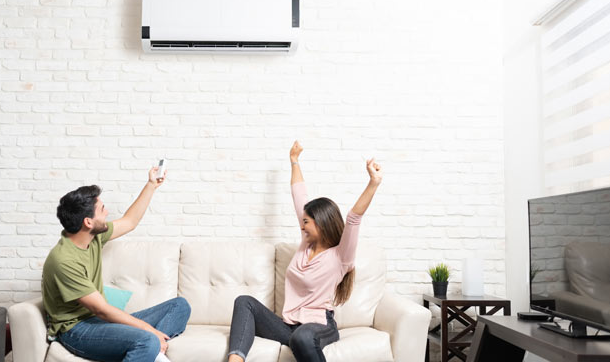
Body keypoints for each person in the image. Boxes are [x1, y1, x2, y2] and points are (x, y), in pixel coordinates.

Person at [227, 141, 383, 362]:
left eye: (306, 221)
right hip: (288, 326)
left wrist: (373, 183)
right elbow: (298, 194)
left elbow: (353, 218)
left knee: (302, 336)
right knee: (244, 302)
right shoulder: (305, 244)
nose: (302, 224)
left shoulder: (341, 256)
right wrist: (294, 161)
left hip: (319, 326)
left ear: (321, 224)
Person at [42, 166, 190, 362]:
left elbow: (129, 222)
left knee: (180, 306)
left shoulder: (93, 237)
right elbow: (101, 309)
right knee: (147, 340)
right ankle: (149, 349)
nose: (107, 212)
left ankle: (150, 352)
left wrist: (151, 185)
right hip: (76, 330)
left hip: (98, 323)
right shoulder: (64, 260)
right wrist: (150, 331)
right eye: (102, 209)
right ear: (88, 222)